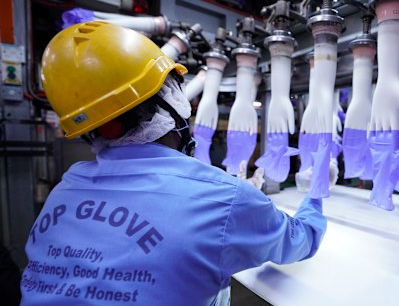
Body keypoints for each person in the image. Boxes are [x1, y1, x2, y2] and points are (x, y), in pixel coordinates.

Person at [20, 22, 326, 305]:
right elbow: (300, 239)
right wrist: (314, 193)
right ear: (170, 101)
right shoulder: (222, 198)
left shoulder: (64, 190)